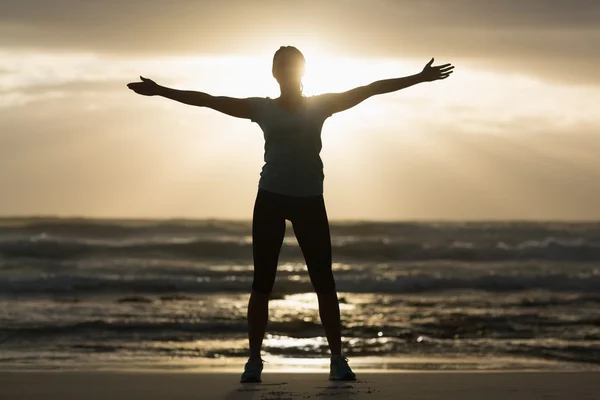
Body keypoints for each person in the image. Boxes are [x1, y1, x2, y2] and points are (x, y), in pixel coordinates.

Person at [127, 46, 454, 382]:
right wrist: (160, 90)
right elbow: (208, 99)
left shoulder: (320, 105)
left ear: (302, 72)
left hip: (310, 199)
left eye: (292, 67)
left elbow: (369, 89)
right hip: (270, 198)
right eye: (281, 67)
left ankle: (337, 359)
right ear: (274, 73)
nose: (286, 72)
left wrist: (418, 78)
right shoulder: (261, 108)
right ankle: (253, 360)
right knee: (262, 283)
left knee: (324, 282)